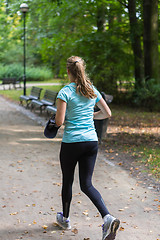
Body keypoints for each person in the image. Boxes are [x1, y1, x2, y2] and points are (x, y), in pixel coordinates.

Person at [55, 56, 120, 240]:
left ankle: (65, 219)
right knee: (87, 184)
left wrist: (54, 123)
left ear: (68, 71)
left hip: (72, 143)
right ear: (82, 70)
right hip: (91, 142)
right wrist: (90, 117)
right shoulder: (92, 89)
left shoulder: (65, 92)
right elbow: (107, 113)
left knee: (68, 181)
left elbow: (59, 121)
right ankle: (108, 217)